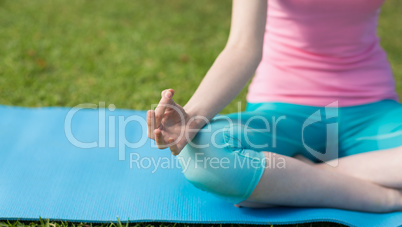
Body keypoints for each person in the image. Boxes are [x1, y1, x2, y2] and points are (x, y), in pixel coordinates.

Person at [146, 0, 402, 212]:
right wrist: (192, 117)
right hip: (283, 110)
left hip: (373, 110)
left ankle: (297, 178)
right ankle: (384, 198)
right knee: (203, 152)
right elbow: (242, 47)